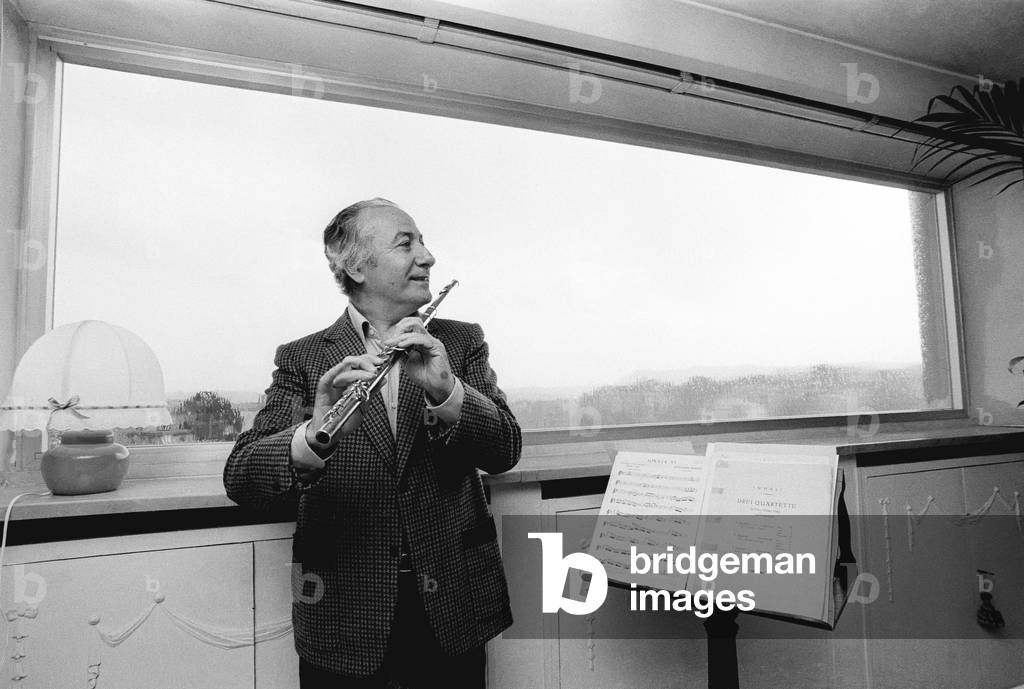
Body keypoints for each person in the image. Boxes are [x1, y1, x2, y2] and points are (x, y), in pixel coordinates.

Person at [223, 198, 522, 688]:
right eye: (407, 243)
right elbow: (242, 477)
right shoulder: (303, 358)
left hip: (453, 600)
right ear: (356, 266)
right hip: (343, 606)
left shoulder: (462, 342)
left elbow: (505, 450)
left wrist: (448, 393)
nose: (428, 257)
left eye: (423, 242)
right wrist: (312, 437)